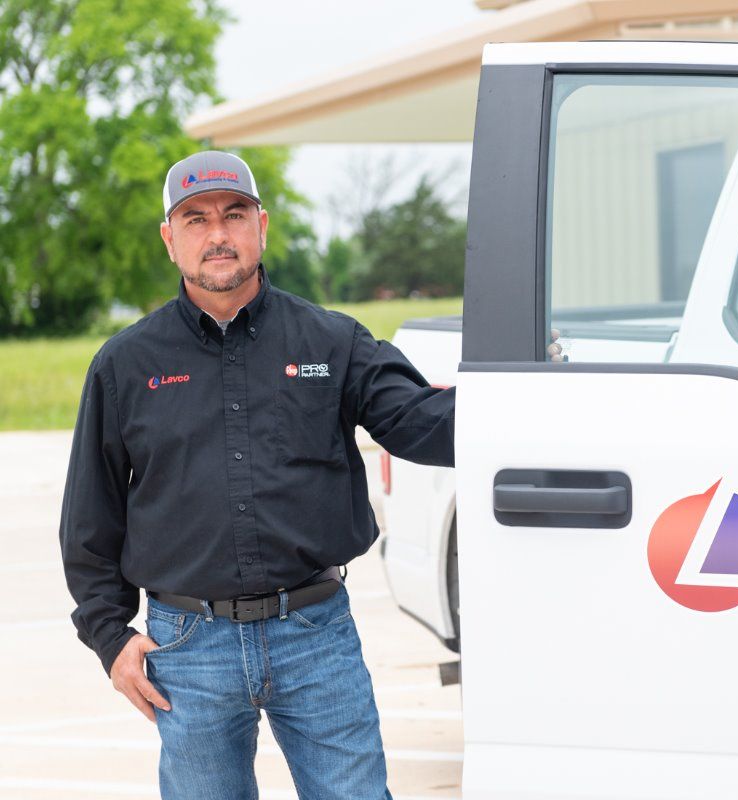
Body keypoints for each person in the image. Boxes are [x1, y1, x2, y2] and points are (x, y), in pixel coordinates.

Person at [58, 150, 456, 799]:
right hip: (186, 647)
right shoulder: (125, 365)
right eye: (196, 219)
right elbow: (89, 515)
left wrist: (516, 409)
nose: (217, 234)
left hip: (316, 635)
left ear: (261, 226)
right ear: (170, 238)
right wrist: (108, 635)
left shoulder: (332, 341)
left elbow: (417, 420)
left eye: (233, 214)